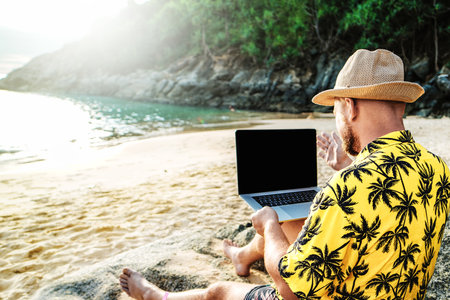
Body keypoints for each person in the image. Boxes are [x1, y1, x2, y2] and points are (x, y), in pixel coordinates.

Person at [119, 49, 450, 299]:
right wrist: (348, 167)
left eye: (335, 109)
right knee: (297, 222)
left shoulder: (348, 188)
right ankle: (242, 255)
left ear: (349, 106)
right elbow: (381, 209)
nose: (337, 119)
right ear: (401, 105)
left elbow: (291, 287)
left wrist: (270, 226)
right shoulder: (437, 169)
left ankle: (154, 295)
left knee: (220, 291)